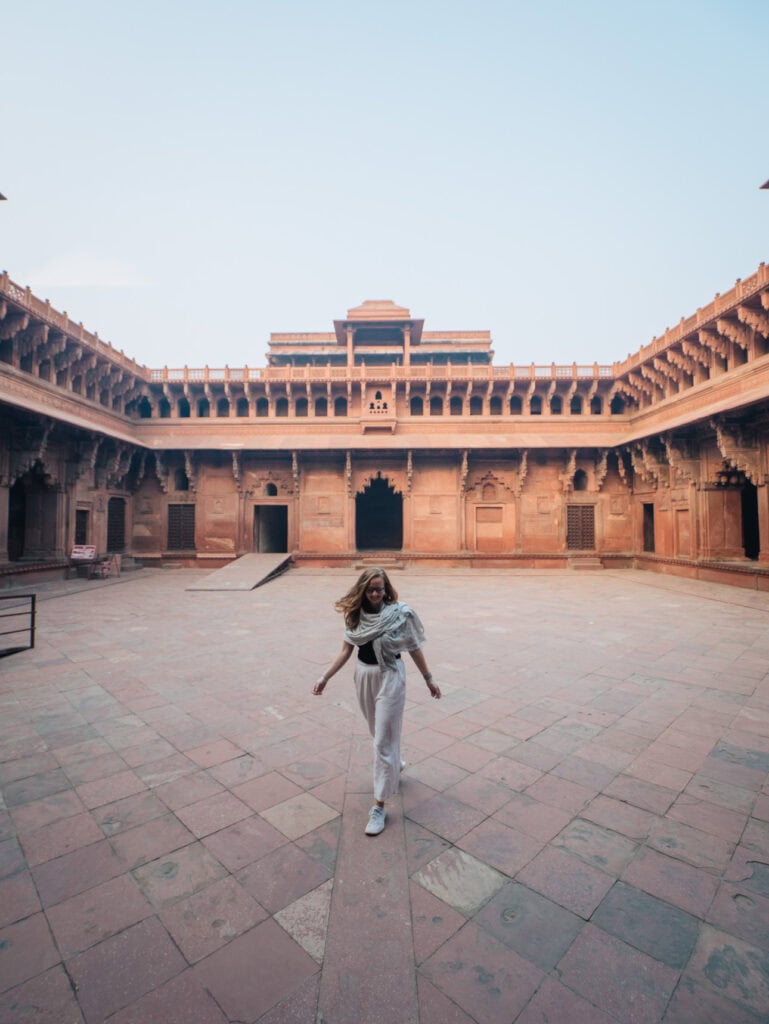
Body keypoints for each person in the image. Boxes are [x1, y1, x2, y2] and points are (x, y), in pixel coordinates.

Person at [312, 567, 441, 835]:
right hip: (364, 676)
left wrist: (429, 678)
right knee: (377, 733)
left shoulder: (398, 614)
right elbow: (346, 650)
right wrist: (325, 677)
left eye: (380, 589)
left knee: (382, 740)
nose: (375, 594)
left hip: (391, 676)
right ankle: (396, 762)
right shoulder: (355, 616)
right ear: (363, 590)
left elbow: (414, 647)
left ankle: (379, 806)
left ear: (386, 589)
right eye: (371, 589)